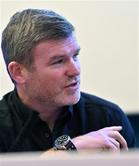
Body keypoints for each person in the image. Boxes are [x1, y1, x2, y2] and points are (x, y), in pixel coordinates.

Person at [0, 8, 135, 153]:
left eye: (75, 56)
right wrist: (70, 148)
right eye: (58, 61)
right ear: (18, 72)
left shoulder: (108, 117)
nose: (75, 70)